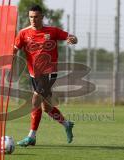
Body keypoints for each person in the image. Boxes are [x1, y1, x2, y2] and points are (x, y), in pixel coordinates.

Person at [14, 5, 78, 147]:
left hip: (49, 73)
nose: (33, 19)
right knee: (46, 108)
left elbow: (71, 37)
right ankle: (67, 124)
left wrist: (73, 39)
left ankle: (31, 136)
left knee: (35, 99)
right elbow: (14, 50)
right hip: (33, 74)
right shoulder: (23, 33)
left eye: (36, 16)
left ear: (42, 17)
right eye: (31, 16)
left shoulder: (52, 31)